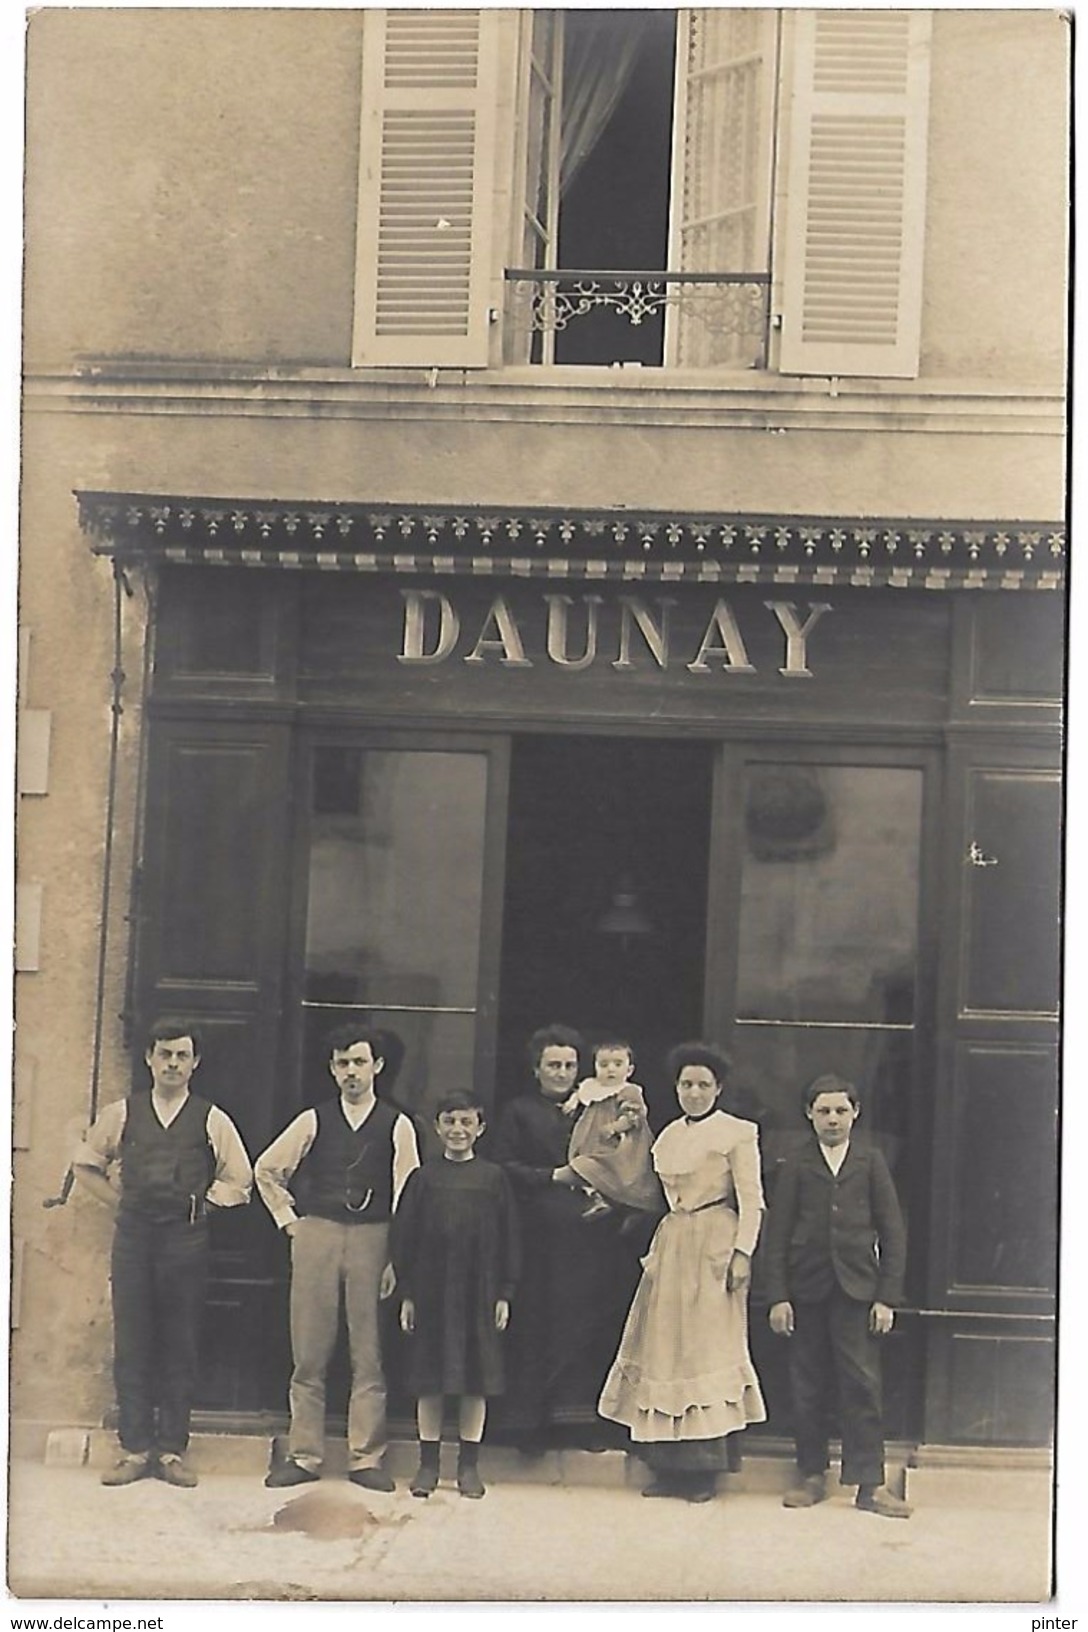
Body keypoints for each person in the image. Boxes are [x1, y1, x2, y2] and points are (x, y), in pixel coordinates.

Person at [73, 1019, 253, 1488]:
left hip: (185, 1240)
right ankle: (134, 1449)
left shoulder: (212, 1118)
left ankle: (172, 1450)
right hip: (134, 1238)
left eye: (182, 1056)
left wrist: (201, 1206)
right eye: (165, 1054)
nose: (173, 1063)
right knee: (133, 1341)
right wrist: (120, 1204)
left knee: (180, 1342)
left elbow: (240, 1180)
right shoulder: (122, 1113)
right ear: (149, 1059)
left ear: (196, 1063)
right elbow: (86, 1165)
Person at [254, 1023, 420, 1491]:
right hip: (318, 1236)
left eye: (360, 1062)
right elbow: (266, 1170)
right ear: (332, 1068)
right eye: (343, 1063)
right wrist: (290, 1223)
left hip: (374, 1238)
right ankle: (304, 1454)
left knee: (369, 1353)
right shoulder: (313, 1119)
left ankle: (366, 1457)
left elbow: (409, 1196)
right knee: (309, 1350)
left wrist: (396, 1259)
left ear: (378, 1067)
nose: (352, 1072)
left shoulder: (397, 1125)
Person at [599, 1042, 766, 1502]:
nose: (695, 1093)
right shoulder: (668, 1135)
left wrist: (742, 1254)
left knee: (706, 1350)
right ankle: (668, 1469)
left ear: (718, 1089)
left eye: (703, 1085)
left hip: (715, 1237)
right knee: (667, 1349)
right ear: (677, 1088)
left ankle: (704, 1473)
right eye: (687, 1084)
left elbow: (752, 1201)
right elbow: (651, 1191)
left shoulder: (737, 1132)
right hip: (673, 1241)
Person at [763, 1073, 912, 1519]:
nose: (832, 1119)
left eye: (840, 1111)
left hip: (857, 1291)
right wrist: (778, 1296)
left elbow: (893, 1231)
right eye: (823, 1111)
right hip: (806, 1290)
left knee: (862, 1385)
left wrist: (886, 1297)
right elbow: (778, 1233)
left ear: (856, 1113)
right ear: (809, 1114)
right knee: (807, 1385)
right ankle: (810, 1475)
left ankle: (870, 1484)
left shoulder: (870, 1160)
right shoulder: (796, 1163)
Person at [491, 1025, 642, 1451]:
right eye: (553, 1065)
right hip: (537, 1235)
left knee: (585, 1325)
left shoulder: (595, 1108)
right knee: (535, 1324)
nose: (561, 1073)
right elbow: (502, 1165)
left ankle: (577, 1422)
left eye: (569, 1065)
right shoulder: (519, 1111)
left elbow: (624, 1157)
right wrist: (551, 1176)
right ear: (537, 1069)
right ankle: (529, 1426)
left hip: (590, 1238)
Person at [391, 1091, 520, 1499]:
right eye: (450, 1122)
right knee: (429, 1380)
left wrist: (504, 1292)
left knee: (474, 1381)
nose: (458, 1130)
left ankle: (468, 1466)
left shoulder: (494, 1178)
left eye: (467, 1122)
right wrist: (408, 1293)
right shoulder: (423, 1179)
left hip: (478, 1291)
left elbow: (509, 1238)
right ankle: (428, 1465)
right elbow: (404, 1239)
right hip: (432, 1291)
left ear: (480, 1128)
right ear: (438, 1127)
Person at [553, 1038, 661, 1222]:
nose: (610, 1069)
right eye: (604, 1064)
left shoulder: (628, 1091)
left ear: (629, 1070)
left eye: (617, 1064)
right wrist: (572, 1102)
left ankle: (627, 1209)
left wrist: (616, 1127)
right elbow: (579, 1094)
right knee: (586, 1167)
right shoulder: (592, 1086)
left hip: (617, 1143)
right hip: (592, 1139)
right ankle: (596, 1198)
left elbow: (634, 1115)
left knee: (601, 1169)